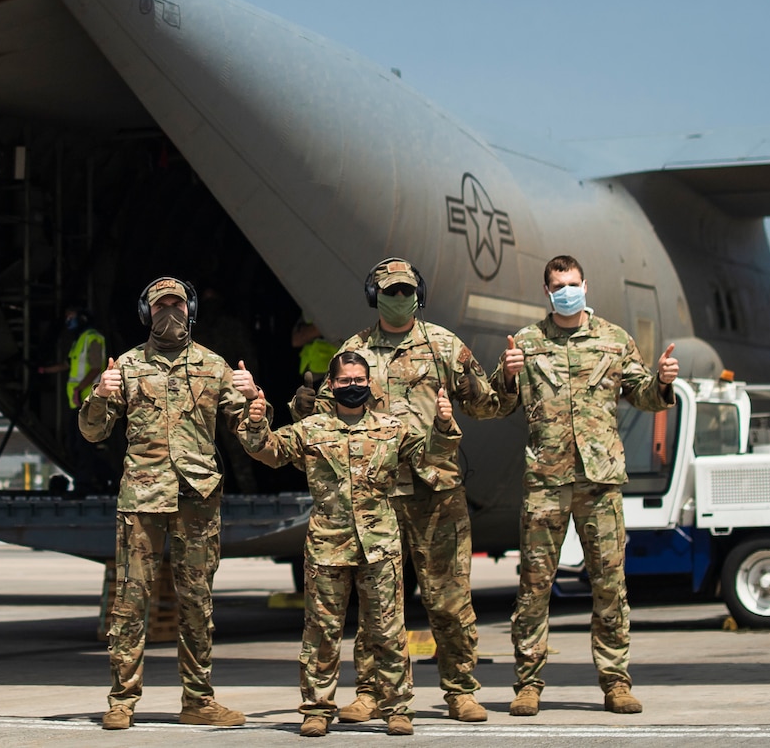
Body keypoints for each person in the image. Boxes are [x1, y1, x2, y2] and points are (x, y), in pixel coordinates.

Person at [482, 253, 679, 716]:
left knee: (610, 585)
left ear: (585, 285)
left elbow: (644, 397)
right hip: (546, 481)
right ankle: (528, 684)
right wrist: (507, 375)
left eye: (572, 282)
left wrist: (663, 382)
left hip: (599, 480)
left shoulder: (614, 340)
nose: (566, 290)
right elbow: (494, 405)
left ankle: (615, 683)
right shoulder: (527, 343)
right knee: (534, 587)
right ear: (547, 292)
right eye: (557, 284)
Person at [242, 350, 458, 737]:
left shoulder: (392, 429)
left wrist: (442, 424)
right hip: (328, 545)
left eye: (359, 380)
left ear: (370, 383)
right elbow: (270, 452)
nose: (353, 386)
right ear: (332, 385)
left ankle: (396, 708)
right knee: (322, 631)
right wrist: (256, 422)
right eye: (344, 381)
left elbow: (430, 457)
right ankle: (317, 709)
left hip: (380, 545)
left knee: (387, 629)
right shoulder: (312, 429)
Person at [317, 259, 497, 723]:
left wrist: (508, 378)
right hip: (375, 494)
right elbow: (325, 408)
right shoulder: (354, 351)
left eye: (406, 289)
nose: (399, 297)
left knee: (449, 598)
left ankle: (460, 690)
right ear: (374, 295)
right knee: (377, 601)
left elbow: (485, 403)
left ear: (419, 293)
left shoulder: (442, 345)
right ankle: (373, 692)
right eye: (390, 290)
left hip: (436, 489)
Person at [78, 277, 255, 730]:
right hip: (142, 496)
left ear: (190, 310)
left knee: (197, 601)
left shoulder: (214, 366)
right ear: (147, 313)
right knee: (131, 600)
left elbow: (251, 436)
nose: (169, 312)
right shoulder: (129, 367)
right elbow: (94, 432)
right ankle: (122, 700)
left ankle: (198, 700)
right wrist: (99, 395)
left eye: (176, 304)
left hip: (197, 498)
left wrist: (256, 400)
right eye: (160, 307)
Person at [39, 305, 108, 409]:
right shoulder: (79, 340)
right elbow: (66, 365)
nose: (68, 321)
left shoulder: (93, 339)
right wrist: (44, 370)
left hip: (90, 399)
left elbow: (96, 368)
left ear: (82, 318)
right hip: (80, 401)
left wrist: (79, 389)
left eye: (71, 317)